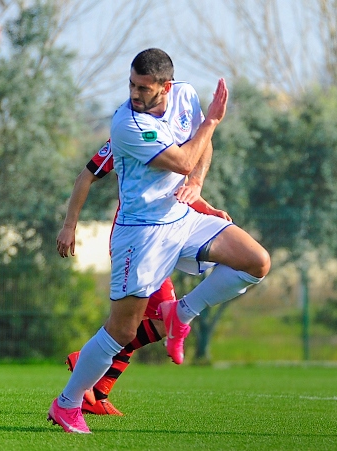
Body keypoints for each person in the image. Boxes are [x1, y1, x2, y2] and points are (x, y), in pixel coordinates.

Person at [48, 48, 270, 434]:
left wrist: (197, 186)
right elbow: (184, 159)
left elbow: (199, 149)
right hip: (141, 233)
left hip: (181, 218)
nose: (134, 93)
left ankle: (182, 312)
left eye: (143, 87)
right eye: (131, 85)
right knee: (122, 330)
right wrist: (212, 122)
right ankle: (67, 404)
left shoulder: (184, 95)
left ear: (165, 87)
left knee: (256, 261)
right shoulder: (126, 124)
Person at [55, 138, 230, 416]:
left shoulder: (174, 133)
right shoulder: (127, 135)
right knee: (164, 320)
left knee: (137, 322)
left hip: (162, 241)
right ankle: (86, 359)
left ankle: (98, 394)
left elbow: (175, 191)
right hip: (136, 244)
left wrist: (206, 209)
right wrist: (69, 226)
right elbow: (85, 176)